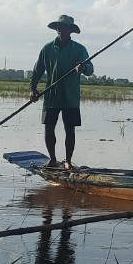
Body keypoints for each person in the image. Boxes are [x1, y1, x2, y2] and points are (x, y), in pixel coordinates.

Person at [30, 15, 94, 169]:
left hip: (70, 96)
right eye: (58, 27)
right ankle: (52, 159)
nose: (60, 29)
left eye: (64, 27)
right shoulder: (47, 49)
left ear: (70, 30)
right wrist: (32, 89)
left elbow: (90, 69)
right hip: (51, 95)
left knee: (69, 129)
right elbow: (37, 70)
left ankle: (68, 161)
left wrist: (83, 68)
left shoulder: (79, 49)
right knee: (49, 127)